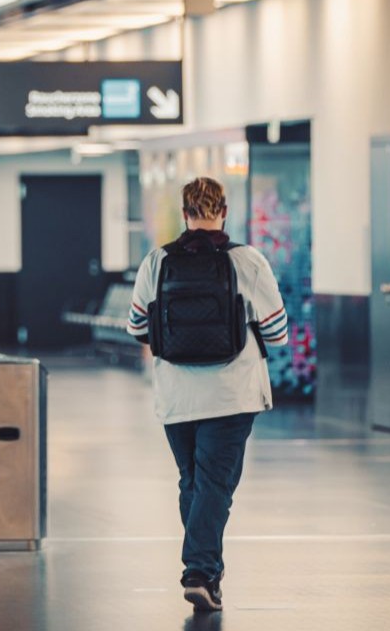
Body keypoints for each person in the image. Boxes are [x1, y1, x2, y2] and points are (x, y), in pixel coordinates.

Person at [127, 177, 288, 613]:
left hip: (177, 395)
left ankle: (207, 570)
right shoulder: (247, 261)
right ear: (224, 212)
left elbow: (137, 326)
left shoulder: (157, 262)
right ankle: (199, 571)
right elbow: (278, 332)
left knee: (193, 481)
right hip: (232, 393)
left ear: (185, 214)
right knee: (215, 483)